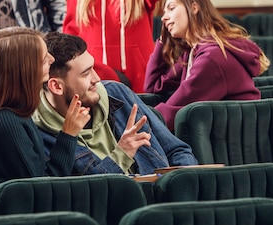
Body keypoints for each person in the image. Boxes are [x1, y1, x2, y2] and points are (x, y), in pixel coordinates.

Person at [33, 32, 198, 175]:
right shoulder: (40, 134)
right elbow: (87, 194)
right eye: (85, 74)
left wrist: (184, 184)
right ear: (56, 86)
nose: (96, 79)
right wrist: (122, 154)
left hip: (162, 201)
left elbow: (177, 150)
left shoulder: (116, 93)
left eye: (93, 68)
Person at [0, 27, 90, 187]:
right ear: (25, 71)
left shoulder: (10, 111)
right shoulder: (6, 121)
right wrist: (68, 133)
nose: (52, 59)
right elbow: (41, 187)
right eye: (44, 59)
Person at [144, 0, 269, 131]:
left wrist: (137, 122)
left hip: (230, 141)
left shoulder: (212, 58)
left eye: (171, 8)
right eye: (164, 12)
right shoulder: (192, 53)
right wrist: (162, 40)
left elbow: (173, 109)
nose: (164, 17)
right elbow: (153, 87)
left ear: (194, 8)